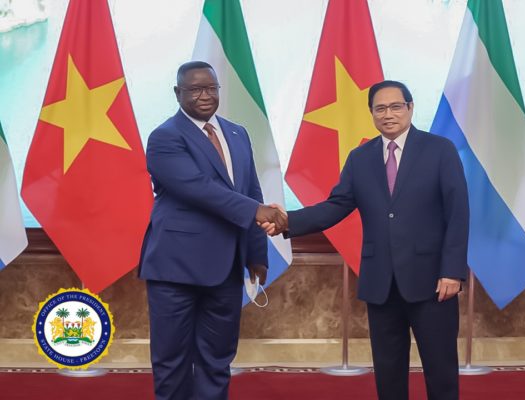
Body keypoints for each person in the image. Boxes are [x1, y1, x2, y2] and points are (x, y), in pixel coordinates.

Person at [265, 81, 469, 400]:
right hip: (380, 282)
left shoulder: (439, 150)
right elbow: (336, 206)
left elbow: (458, 213)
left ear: (410, 108)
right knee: (388, 373)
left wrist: (452, 271)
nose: (388, 114)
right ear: (372, 113)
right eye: (380, 108)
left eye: (396, 106)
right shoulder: (360, 158)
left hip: (432, 281)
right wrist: (288, 220)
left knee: (440, 370)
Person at [139, 61, 286, 400]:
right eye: (194, 89)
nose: (204, 95)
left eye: (211, 88)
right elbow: (198, 188)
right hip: (176, 270)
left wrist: (257, 255)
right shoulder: (165, 137)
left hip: (226, 268)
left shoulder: (237, 133)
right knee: (172, 360)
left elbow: (251, 191)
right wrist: (257, 211)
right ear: (178, 93)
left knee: (217, 360)